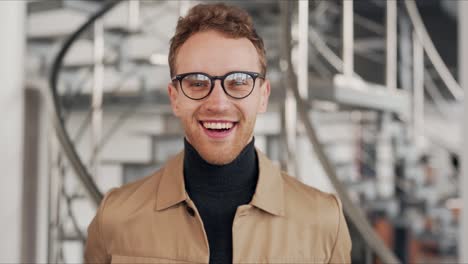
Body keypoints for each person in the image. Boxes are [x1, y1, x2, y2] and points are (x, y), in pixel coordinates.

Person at [85, 3, 351, 264]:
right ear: (174, 98)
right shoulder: (115, 217)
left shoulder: (324, 221)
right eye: (198, 83)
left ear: (263, 96)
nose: (218, 104)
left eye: (238, 83)